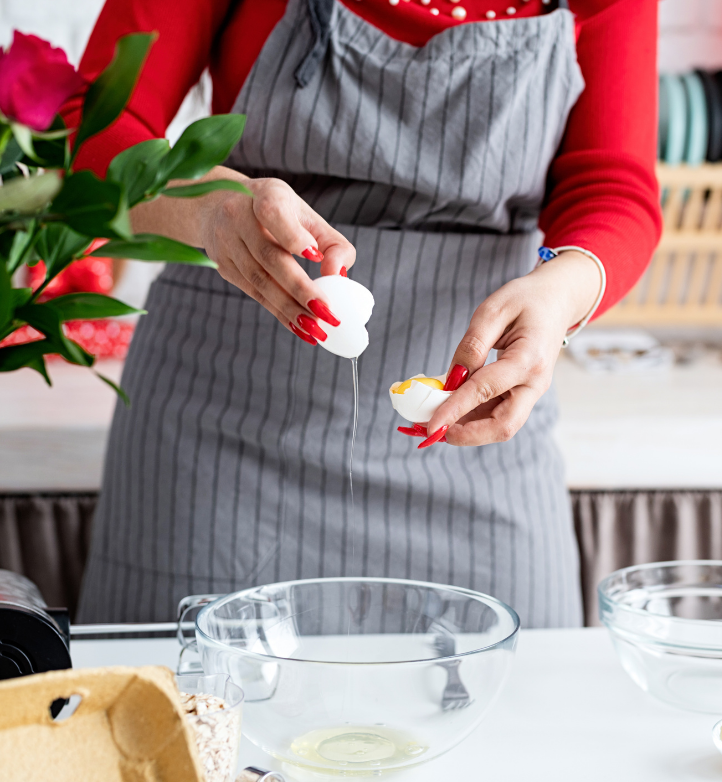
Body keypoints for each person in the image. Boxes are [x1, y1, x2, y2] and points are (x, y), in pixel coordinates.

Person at [68, 0, 661, 627]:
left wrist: (560, 293)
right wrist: (207, 204)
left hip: (472, 432)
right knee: (193, 714)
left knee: (514, 706)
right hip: (222, 440)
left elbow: (612, 185)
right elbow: (90, 128)